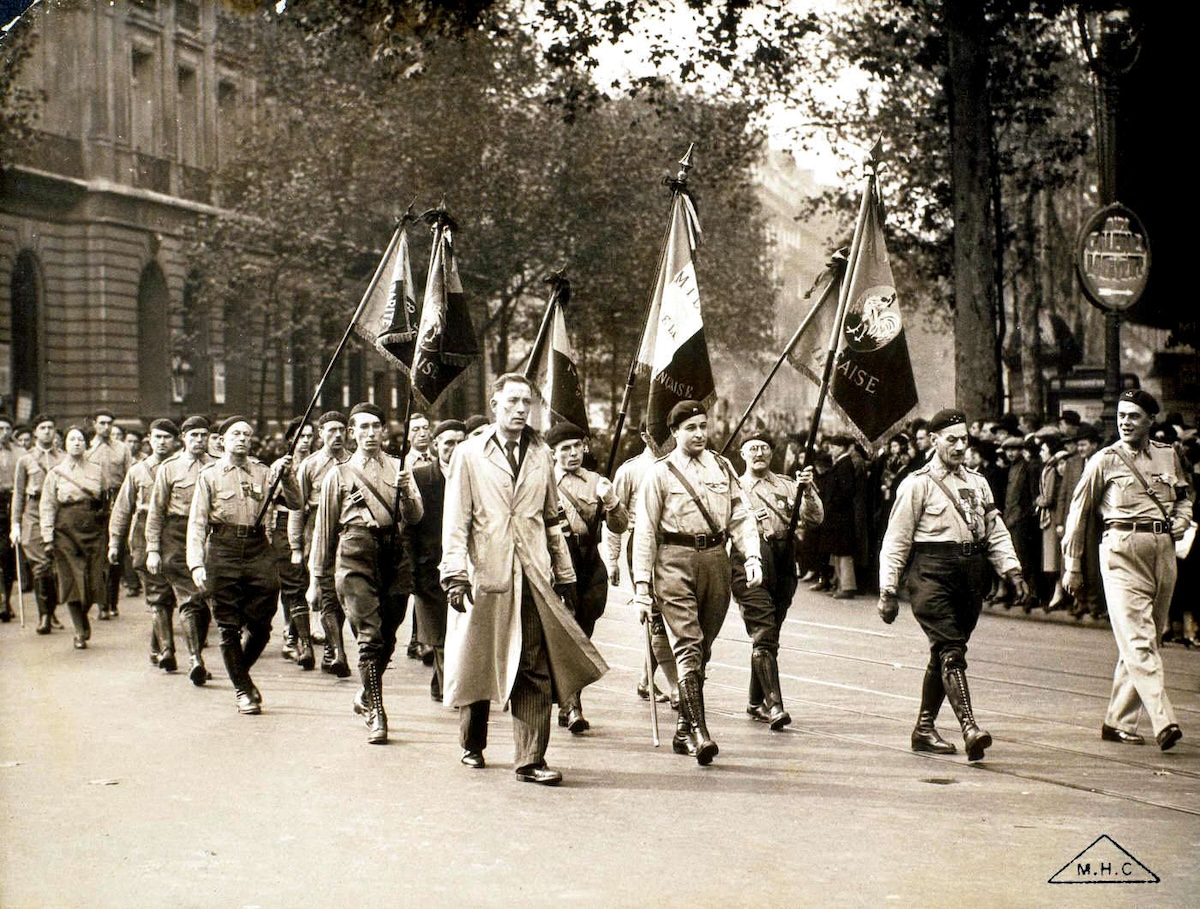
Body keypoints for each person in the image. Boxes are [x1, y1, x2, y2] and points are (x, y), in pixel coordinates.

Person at [441, 373, 607, 784]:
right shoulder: (469, 454)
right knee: (481, 659)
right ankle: (472, 741)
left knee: (533, 665)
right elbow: (456, 522)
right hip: (486, 572)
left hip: (532, 573)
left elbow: (552, 519)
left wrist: (564, 574)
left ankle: (530, 758)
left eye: (527, 402)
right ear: (494, 404)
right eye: (512, 401)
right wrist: (455, 574)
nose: (520, 409)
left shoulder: (540, 455)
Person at [878, 408, 1026, 762]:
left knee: (944, 653)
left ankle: (924, 729)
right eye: (952, 440)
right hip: (931, 574)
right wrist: (887, 590)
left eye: (964, 440)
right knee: (951, 650)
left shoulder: (978, 482)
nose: (960, 446)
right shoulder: (917, 484)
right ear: (934, 441)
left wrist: (1012, 570)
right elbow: (896, 540)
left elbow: (994, 530)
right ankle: (970, 728)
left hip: (971, 576)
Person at [1062, 389, 1193, 752]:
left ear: (1151, 420)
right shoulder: (1104, 460)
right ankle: (1163, 718)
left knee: (1146, 638)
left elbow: (1184, 500)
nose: (1125, 422)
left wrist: (1181, 522)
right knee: (1139, 640)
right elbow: (1077, 514)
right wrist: (1072, 565)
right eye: (1121, 415)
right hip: (1121, 553)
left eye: (1133, 416)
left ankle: (1117, 721)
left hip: (1163, 552)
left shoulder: (1170, 456)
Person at [632, 399, 762, 765]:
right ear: (674, 433)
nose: (699, 434)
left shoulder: (722, 466)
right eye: (690, 428)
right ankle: (700, 732)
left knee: (703, 647)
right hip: (673, 560)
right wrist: (642, 588)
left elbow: (740, 513)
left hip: (716, 560)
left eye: (703, 426)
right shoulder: (659, 473)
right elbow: (645, 531)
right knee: (688, 644)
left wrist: (751, 554)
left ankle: (683, 728)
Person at [308, 403, 422, 744]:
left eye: (376, 427)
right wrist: (316, 579)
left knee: (390, 629)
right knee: (369, 636)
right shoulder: (338, 475)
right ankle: (377, 711)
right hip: (355, 552)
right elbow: (324, 530)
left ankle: (365, 694)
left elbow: (415, 517)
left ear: (384, 432)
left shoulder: (400, 467)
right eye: (363, 428)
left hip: (393, 553)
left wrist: (408, 493)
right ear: (352, 433)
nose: (370, 434)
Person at [187, 416, 295, 715]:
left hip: (259, 548)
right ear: (222, 440)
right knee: (227, 626)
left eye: (247, 434)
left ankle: (239, 672)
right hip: (222, 549)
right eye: (236, 434)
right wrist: (196, 564)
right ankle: (243, 689)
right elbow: (196, 523)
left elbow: (295, 502)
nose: (242, 439)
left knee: (261, 626)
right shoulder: (209, 475)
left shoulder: (263, 472)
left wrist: (286, 476)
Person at [735, 432, 823, 729]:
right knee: (764, 629)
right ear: (742, 454)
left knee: (770, 632)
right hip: (749, 561)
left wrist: (808, 491)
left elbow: (815, 519)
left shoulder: (788, 484)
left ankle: (754, 702)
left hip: (784, 560)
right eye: (752, 449)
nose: (758, 453)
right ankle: (775, 707)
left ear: (772, 453)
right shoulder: (734, 488)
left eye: (764, 448)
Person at [547, 421, 629, 733]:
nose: (572, 454)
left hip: (589, 563)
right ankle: (572, 707)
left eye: (576, 446)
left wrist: (611, 501)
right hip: (557, 561)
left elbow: (620, 525)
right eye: (564, 449)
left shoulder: (597, 481)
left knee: (583, 633)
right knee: (568, 636)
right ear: (553, 453)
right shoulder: (544, 481)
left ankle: (569, 700)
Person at [603, 419, 679, 705]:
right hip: (642, 544)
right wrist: (612, 560)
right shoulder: (630, 470)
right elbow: (612, 520)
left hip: (674, 545)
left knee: (671, 616)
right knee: (656, 615)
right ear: (645, 435)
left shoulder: (680, 465)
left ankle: (646, 680)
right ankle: (676, 688)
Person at [146, 415, 216, 684]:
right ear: (183, 439)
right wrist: (153, 549)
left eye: (203, 435)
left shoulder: (217, 466)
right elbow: (156, 512)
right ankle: (195, 658)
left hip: (209, 537)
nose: (199, 441)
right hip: (176, 537)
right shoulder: (170, 468)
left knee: (205, 598)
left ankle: (194, 653)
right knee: (189, 598)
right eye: (193, 435)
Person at [108, 419, 180, 668]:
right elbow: (122, 509)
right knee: (157, 592)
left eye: (167, 438)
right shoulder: (138, 471)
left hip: (173, 533)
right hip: (142, 533)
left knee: (168, 594)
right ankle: (168, 650)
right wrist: (115, 542)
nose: (162, 442)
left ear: (176, 440)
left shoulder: (181, 468)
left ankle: (156, 646)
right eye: (157, 437)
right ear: (149, 438)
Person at [289, 411, 352, 677]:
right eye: (331, 430)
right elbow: (297, 506)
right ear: (320, 434)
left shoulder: (354, 462)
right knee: (326, 589)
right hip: (317, 531)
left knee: (342, 591)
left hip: (347, 530)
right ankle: (337, 652)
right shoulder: (310, 466)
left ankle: (331, 647)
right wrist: (295, 546)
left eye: (341, 430)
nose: (337, 435)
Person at [407, 418, 464, 703]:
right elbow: (410, 529)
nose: (454, 449)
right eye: (448, 443)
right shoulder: (420, 478)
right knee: (439, 634)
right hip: (429, 569)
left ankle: (441, 683)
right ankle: (448, 688)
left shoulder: (474, 476)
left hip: (463, 569)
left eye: (460, 442)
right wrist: (412, 572)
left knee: (458, 632)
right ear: (436, 445)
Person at [40, 426, 107, 649]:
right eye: (72, 439)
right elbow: (48, 505)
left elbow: (106, 499)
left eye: (80, 439)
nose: (77, 443)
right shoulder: (56, 473)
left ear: (86, 444)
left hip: (92, 527)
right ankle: (79, 629)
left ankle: (83, 614)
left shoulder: (97, 470)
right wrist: (48, 537)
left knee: (92, 578)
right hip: (65, 530)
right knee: (71, 577)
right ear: (64, 444)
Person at [12, 414, 65, 634]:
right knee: (41, 565)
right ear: (35, 432)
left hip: (57, 514)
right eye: (42, 427)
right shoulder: (25, 459)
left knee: (54, 567)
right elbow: (18, 495)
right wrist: (15, 523)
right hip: (33, 515)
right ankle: (44, 615)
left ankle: (51, 610)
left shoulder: (63, 458)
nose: (47, 431)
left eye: (50, 427)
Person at [271, 417, 313, 668]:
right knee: (292, 581)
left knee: (304, 581)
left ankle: (297, 631)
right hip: (284, 524)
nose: (306, 441)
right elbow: (269, 500)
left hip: (309, 526)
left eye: (309, 436)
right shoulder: (280, 465)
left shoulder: (316, 463)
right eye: (301, 436)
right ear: (290, 440)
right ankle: (292, 637)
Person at [87, 408, 132, 620]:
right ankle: (102, 604)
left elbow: (129, 478)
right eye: (101, 423)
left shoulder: (122, 449)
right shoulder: (87, 449)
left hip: (117, 500)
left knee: (116, 554)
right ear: (94, 425)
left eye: (109, 423)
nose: (105, 427)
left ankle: (112, 601)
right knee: (98, 556)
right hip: (96, 504)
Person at [0, 414, 21, 621]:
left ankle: (5, 599)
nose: (4, 433)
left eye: (7, 429)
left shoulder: (18, 453)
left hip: (11, 503)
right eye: (0, 429)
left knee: (7, 556)